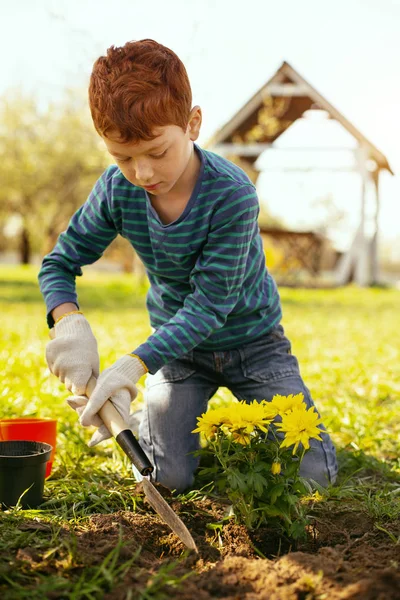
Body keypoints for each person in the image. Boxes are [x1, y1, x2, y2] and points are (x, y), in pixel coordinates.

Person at [38, 39, 337, 493]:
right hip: (180, 357)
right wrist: (69, 324)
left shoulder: (231, 194)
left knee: (313, 479)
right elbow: (59, 263)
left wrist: (133, 366)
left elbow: (208, 308)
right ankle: (162, 425)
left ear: (192, 123)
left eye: (157, 152)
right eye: (122, 157)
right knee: (167, 478)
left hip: (255, 344)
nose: (142, 173)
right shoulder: (118, 191)